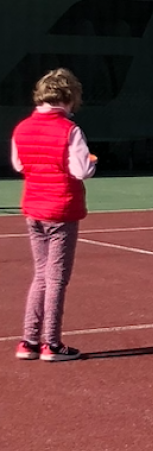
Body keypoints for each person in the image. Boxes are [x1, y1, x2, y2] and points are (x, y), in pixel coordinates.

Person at [10, 68, 96, 361]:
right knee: (56, 278)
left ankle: (29, 340)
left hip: (33, 208)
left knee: (41, 276)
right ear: (70, 97)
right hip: (60, 209)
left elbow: (20, 165)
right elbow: (82, 170)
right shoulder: (69, 130)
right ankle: (52, 343)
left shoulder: (21, 128)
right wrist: (91, 161)